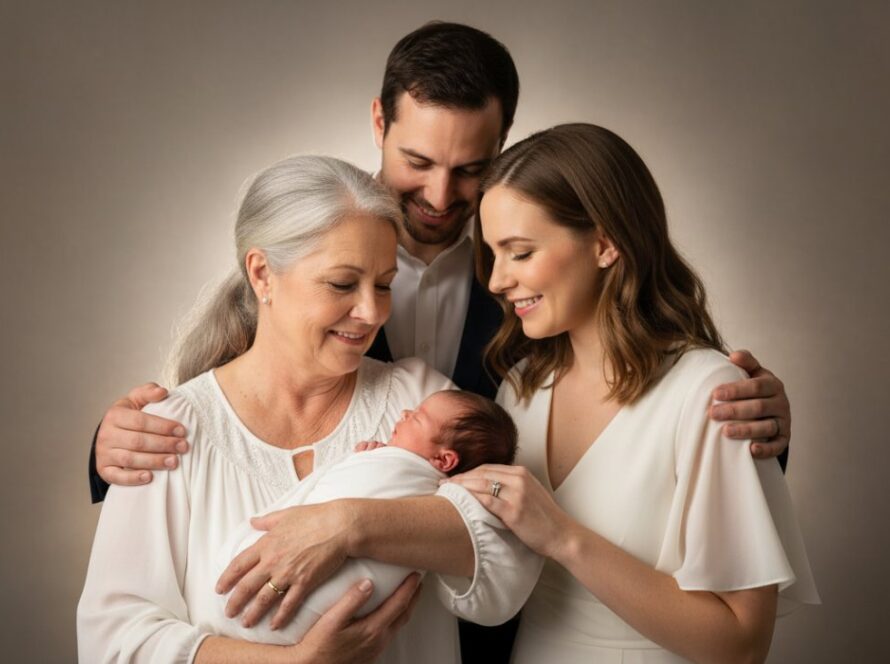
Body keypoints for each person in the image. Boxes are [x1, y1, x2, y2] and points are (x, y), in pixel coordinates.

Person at [86, 21, 795, 662]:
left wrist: (751, 419)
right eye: (418, 161)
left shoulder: (535, 304)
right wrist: (113, 446)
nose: (439, 193)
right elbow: (214, 411)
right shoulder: (318, 236)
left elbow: (639, 401)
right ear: (379, 125)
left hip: (479, 635)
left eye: (468, 170)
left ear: (502, 148)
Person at [77, 155, 540, 663]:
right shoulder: (169, 433)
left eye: (384, 284)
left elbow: (508, 573)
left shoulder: (420, 402)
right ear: (262, 274)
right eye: (342, 283)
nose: (371, 313)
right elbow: (113, 640)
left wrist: (347, 525)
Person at [444, 123, 819, 663]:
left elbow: (742, 645)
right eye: (493, 255)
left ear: (604, 243)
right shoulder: (521, 390)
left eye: (519, 253)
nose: (497, 280)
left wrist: (564, 538)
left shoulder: (708, 394)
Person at [216, 389, 518, 646]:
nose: (404, 412)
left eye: (417, 417)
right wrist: (367, 458)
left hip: (304, 622)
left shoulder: (428, 486)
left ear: (443, 460)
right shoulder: (388, 460)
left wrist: (372, 462)